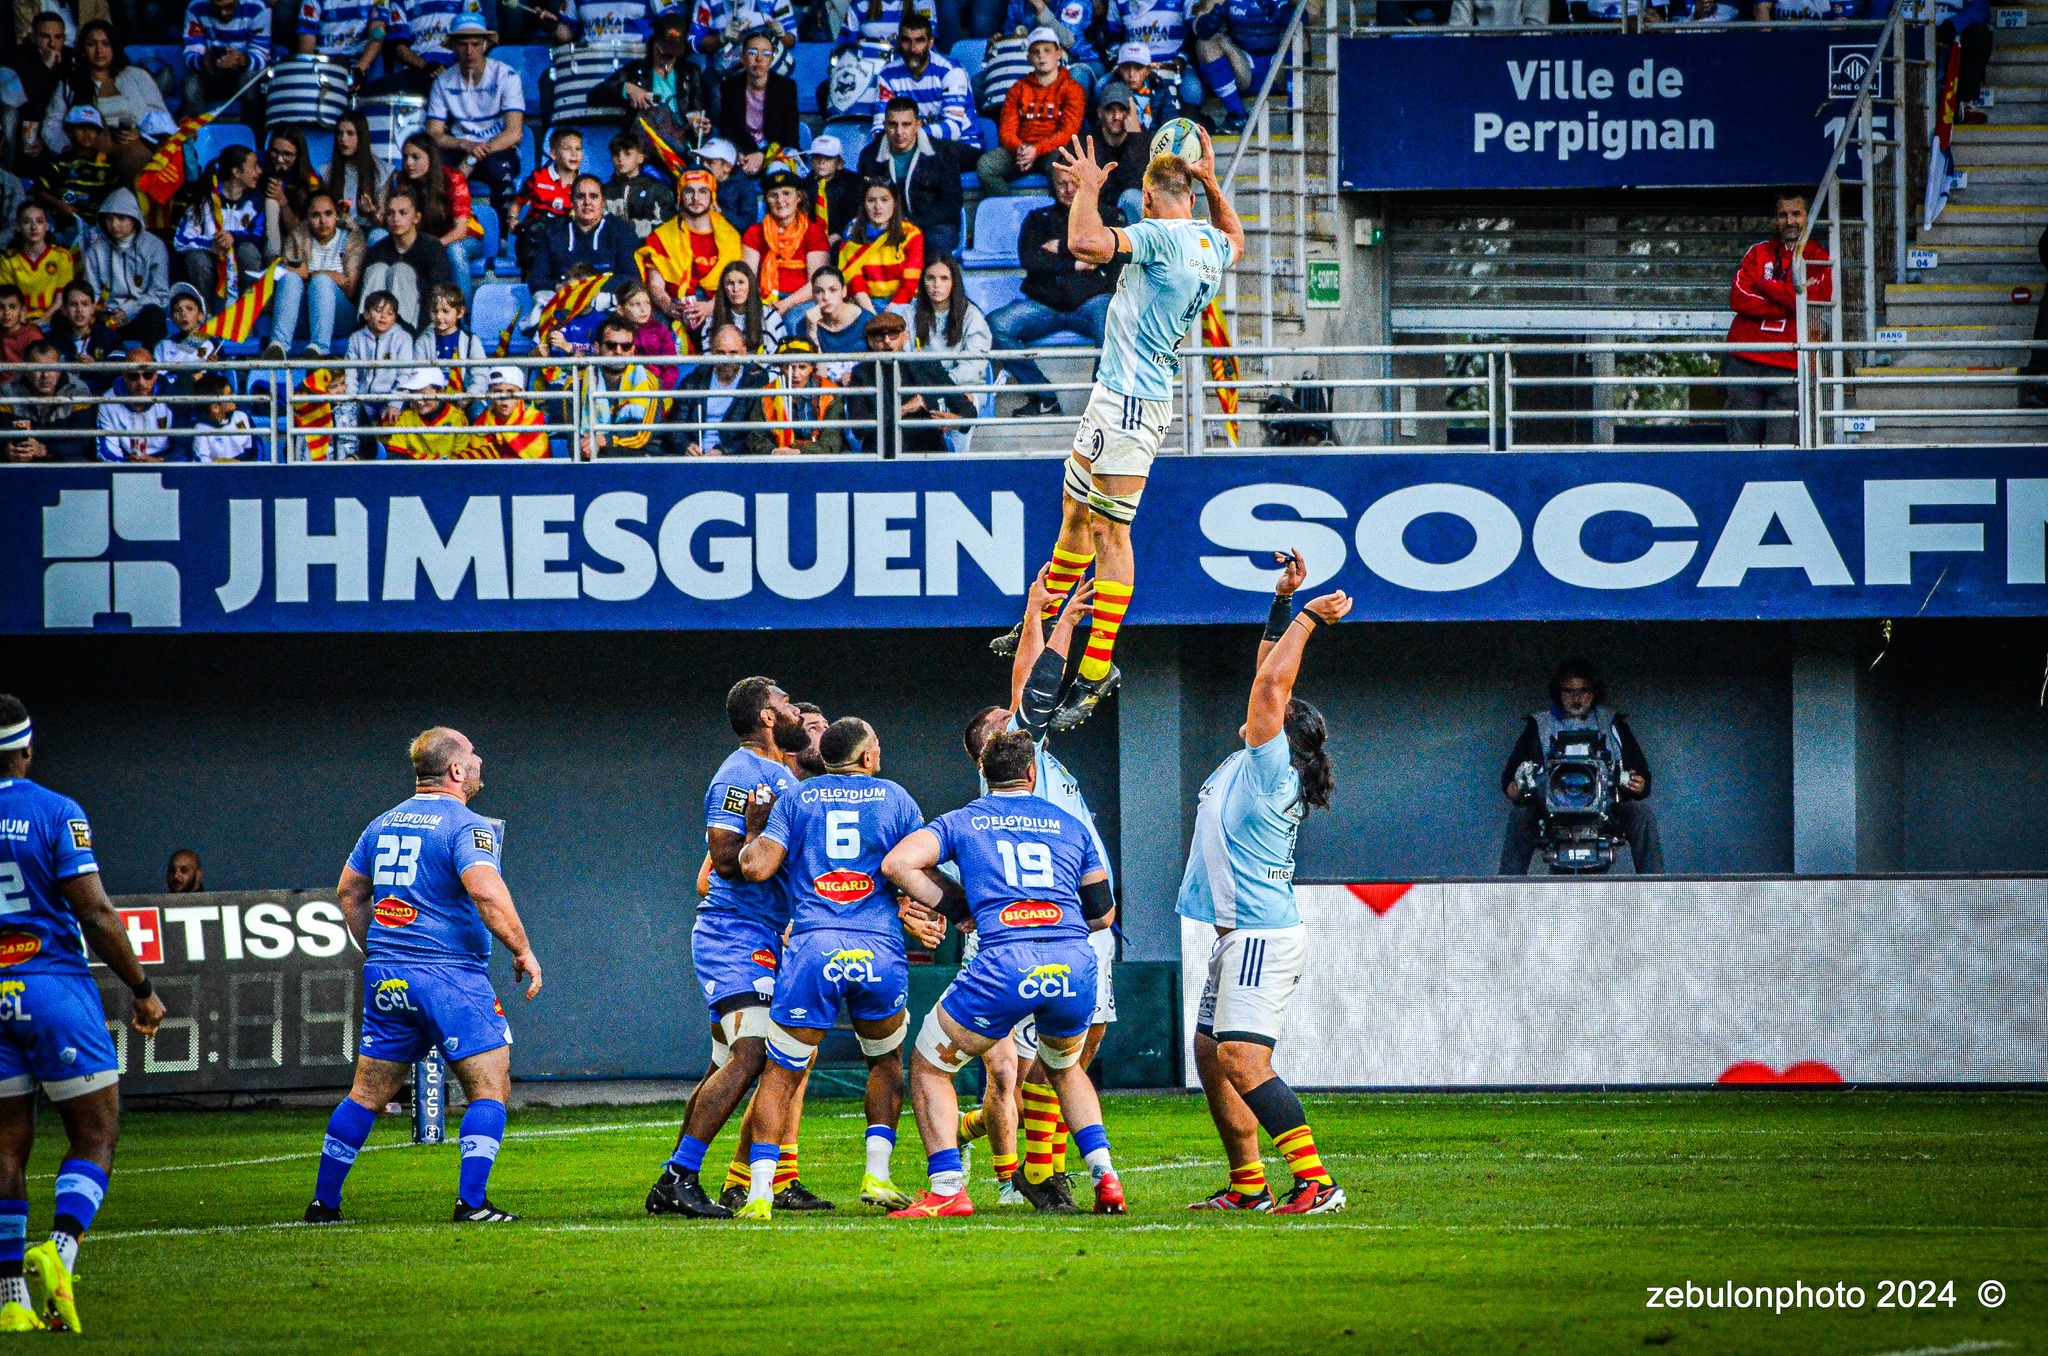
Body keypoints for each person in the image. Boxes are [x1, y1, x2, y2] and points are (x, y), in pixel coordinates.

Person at [1001, 133, 1243, 732]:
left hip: (1133, 404)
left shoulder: (1161, 235)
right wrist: (1214, 183)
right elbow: (1238, 239)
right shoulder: (1211, 242)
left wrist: (1087, 187)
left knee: (1111, 530)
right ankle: (1046, 612)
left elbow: (1084, 241)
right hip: (1116, 395)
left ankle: (1098, 665)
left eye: (1143, 204)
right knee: (1075, 513)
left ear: (1153, 201)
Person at [880, 727, 1124, 1219]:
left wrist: (957, 903)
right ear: (1032, 773)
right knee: (1065, 1068)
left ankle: (948, 1186)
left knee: (930, 1066)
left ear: (982, 773)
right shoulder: (1070, 824)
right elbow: (1101, 913)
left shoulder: (963, 820)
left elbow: (897, 864)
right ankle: (1106, 1177)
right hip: (1074, 963)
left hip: (1005, 961)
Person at [306, 727, 543, 1225]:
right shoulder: (467, 826)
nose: (479, 760)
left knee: (366, 1095)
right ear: (456, 771)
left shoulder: (382, 823)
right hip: (450, 975)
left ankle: (324, 1204)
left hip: (388, 975)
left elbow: (349, 891)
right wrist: (522, 949)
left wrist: (380, 947)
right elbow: (486, 892)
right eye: (473, 755)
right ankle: (472, 1204)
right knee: (489, 1089)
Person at [1178, 554, 1351, 1216]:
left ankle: (1316, 1183)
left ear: (1282, 730)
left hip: (1258, 936)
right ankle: (1249, 1183)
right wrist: (1281, 606)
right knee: (1209, 1052)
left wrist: (1306, 620)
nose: (1258, 705)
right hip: (1241, 934)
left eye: (1271, 709)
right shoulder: (1258, 762)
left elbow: (1271, 687)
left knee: (1243, 1059)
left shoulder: (1269, 768)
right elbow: (1265, 678)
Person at [952, 569, 1119, 1210]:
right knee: (1015, 1068)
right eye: (1004, 719)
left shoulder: (1037, 758)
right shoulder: (1011, 773)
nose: (1014, 714)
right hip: (1037, 928)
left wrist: (1033, 612)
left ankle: (1012, 1151)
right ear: (989, 749)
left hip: (1082, 924)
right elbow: (1032, 686)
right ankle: (1027, 1173)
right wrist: (1063, 622)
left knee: (1071, 1053)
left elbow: (1025, 681)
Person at [0, 695, 167, 1333]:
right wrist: (142, 987)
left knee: (6, 1147)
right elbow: (94, 913)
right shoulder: (56, 812)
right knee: (95, 1134)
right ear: (26, 748)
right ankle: (60, 1249)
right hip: (52, 987)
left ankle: (11, 1299)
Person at [729, 716, 921, 1216]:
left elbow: (755, 868)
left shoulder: (796, 797)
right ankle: (877, 1176)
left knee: (782, 1071)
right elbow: (918, 868)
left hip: (813, 948)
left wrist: (754, 832)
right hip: (877, 947)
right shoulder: (896, 798)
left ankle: (760, 1193)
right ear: (867, 758)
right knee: (884, 1062)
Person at [646, 677, 816, 1219]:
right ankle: (680, 1176)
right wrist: (762, 836)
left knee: (727, 1059)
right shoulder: (740, 773)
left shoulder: (776, 775)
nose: (793, 710)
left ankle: (673, 1180)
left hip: (763, 934)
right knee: (752, 1054)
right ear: (768, 717)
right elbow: (723, 859)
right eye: (787, 704)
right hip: (734, 933)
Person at [1499, 657, 1664, 875]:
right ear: (1558, 693)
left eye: (1583, 691)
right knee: (1520, 816)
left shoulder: (1611, 722)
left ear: (1594, 692)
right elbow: (1510, 781)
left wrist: (1638, 784)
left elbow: (1641, 774)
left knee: (1640, 813)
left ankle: (1654, 884)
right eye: (1569, 691)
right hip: (1550, 807)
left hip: (1605, 805)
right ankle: (1508, 888)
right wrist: (1518, 787)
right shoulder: (1539, 724)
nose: (1576, 698)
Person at [985, 164, 1120, 417]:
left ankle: (1103, 405)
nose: (1068, 190)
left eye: (1074, 183)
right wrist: (1078, 261)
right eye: (1062, 184)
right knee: (995, 325)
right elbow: (1031, 260)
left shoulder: (1109, 216)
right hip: (1044, 305)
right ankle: (1044, 397)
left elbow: (1111, 255)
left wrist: (1062, 248)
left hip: (1092, 303)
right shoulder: (1038, 219)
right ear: (1053, 186)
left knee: (1113, 317)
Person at [1724, 190, 1830, 446]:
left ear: (1808, 217)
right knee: (1741, 445)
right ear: (1775, 220)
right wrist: (1791, 300)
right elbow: (1738, 298)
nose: (1790, 221)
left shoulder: (1820, 257)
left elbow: (1816, 298)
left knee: (1781, 448)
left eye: (1796, 214)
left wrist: (1766, 286)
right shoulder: (1757, 252)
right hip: (1745, 359)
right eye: (1783, 215)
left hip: (1789, 363)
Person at [422, 13, 525, 206]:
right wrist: (465, 145)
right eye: (463, 44)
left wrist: (474, 155)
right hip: (460, 147)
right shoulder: (442, 82)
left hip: (497, 148)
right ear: (453, 46)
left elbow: (514, 132)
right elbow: (433, 132)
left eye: (476, 44)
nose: (469, 51)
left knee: (501, 174)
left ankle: (502, 234)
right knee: (431, 173)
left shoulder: (506, 76)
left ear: (485, 44)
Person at [40, 20, 167, 178]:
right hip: (91, 152)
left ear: (114, 47)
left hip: (138, 144)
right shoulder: (69, 83)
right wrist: (68, 148)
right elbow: (51, 126)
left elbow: (161, 117)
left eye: (106, 43)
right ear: (83, 50)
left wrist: (141, 133)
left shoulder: (137, 76)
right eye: (92, 44)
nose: (99, 50)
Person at [978, 26, 1084, 196]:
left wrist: (1037, 150)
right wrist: (1020, 149)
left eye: (1047, 50)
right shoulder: (1018, 88)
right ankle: (1009, 212)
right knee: (986, 166)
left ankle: (1055, 217)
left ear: (1058, 54)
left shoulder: (1072, 88)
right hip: (1022, 150)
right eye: (1035, 52)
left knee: (1064, 169)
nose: (1041, 56)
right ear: (1028, 57)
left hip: (1053, 150)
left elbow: (1068, 132)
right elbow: (1006, 129)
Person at [847, 309, 970, 455]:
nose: (887, 341)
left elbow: (967, 410)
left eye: (893, 334)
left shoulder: (927, 365)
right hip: (883, 456)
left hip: (927, 454)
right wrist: (904, 409)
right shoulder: (861, 374)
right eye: (879, 336)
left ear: (905, 336)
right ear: (870, 341)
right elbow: (860, 429)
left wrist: (956, 420)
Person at [638, 168, 744, 336]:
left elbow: (737, 284)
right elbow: (655, 285)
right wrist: (668, 306)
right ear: (680, 195)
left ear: (712, 196)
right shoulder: (662, 236)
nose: (696, 198)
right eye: (689, 191)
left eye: (703, 191)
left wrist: (710, 307)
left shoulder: (730, 236)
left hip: (719, 305)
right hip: (675, 306)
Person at [855, 96, 962, 257]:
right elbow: (862, 199)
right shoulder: (869, 156)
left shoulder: (942, 153)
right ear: (884, 124)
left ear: (918, 125)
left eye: (906, 125)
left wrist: (912, 225)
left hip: (932, 226)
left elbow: (951, 203)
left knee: (937, 240)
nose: (899, 132)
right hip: (883, 224)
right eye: (893, 124)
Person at [590, 11, 713, 146]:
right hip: (646, 148)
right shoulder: (636, 71)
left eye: (671, 55)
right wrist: (626, 88)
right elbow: (594, 96)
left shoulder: (691, 73)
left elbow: (699, 110)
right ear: (654, 42)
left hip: (682, 148)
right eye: (662, 51)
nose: (665, 57)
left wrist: (702, 126)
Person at [267, 190, 364, 357]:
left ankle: (319, 349)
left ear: (337, 215)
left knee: (321, 282)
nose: (322, 221)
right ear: (307, 218)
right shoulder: (297, 238)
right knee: (289, 278)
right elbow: (281, 277)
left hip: (340, 318)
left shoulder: (351, 238)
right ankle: (278, 346)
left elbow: (350, 287)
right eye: (315, 215)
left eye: (328, 214)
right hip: (303, 316)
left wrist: (311, 275)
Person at [78, 188, 170, 348]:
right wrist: (104, 312)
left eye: (121, 219)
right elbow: (92, 291)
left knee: (154, 315)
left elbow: (160, 294)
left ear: (134, 219)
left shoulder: (154, 246)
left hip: (140, 314)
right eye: (109, 219)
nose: (114, 225)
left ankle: (152, 364)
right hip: (107, 316)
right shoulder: (96, 248)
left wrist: (128, 311)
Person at [720, 334, 841, 453]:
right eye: (789, 367)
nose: (795, 374)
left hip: (820, 464)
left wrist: (799, 452)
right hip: (778, 463)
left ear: (812, 368)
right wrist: (774, 451)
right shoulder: (767, 394)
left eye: (802, 367)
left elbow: (832, 443)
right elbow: (756, 438)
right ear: (780, 367)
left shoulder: (830, 392)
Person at [872, 11, 977, 148]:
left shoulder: (950, 71)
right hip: (908, 146)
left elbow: (953, 130)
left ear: (930, 43)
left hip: (961, 144)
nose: (912, 49)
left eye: (919, 40)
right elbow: (880, 125)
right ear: (898, 41)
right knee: (870, 156)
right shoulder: (887, 74)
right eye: (906, 40)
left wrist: (908, 135)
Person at [173, 143, 263, 300]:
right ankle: (204, 311)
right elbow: (180, 240)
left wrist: (234, 237)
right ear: (236, 172)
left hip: (238, 264)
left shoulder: (256, 200)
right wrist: (210, 245)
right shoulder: (205, 198)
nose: (259, 171)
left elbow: (259, 236)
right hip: (212, 266)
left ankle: (246, 307)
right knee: (197, 258)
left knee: (249, 251)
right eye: (254, 166)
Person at [396, 132, 477, 302]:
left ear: (430, 158)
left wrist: (430, 247)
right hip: (428, 241)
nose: (408, 163)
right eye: (405, 157)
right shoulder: (403, 181)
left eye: (415, 157)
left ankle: (462, 318)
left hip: (466, 238)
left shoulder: (453, 178)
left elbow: (460, 230)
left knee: (455, 251)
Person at [360, 185, 453, 331]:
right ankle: (368, 333)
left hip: (416, 325)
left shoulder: (432, 248)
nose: (396, 218)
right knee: (377, 269)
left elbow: (438, 296)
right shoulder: (378, 250)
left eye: (403, 213)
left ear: (416, 217)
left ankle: (402, 335)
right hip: (376, 327)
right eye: (390, 213)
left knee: (400, 270)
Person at [533, 173, 642, 297]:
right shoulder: (553, 233)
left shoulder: (621, 231)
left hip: (605, 300)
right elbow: (538, 278)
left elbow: (631, 277)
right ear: (572, 202)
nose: (587, 202)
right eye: (580, 196)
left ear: (603, 202)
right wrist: (560, 286)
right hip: (565, 298)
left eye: (593, 196)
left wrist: (590, 288)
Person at [741, 169, 826, 323]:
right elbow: (748, 278)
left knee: (794, 320)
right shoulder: (754, 233)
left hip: (801, 301)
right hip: (764, 298)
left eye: (786, 193)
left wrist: (785, 304)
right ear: (766, 199)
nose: (780, 201)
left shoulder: (814, 232)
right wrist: (763, 304)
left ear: (798, 197)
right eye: (774, 195)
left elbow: (816, 282)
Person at [340, 289, 412, 455]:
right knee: (351, 420)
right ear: (366, 314)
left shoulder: (402, 338)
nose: (383, 317)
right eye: (378, 311)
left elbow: (405, 374)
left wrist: (395, 403)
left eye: (389, 313)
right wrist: (353, 400)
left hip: (390, 398)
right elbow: (351, 372)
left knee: (393, 426)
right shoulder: (356, 338)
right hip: (363, 399)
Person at [583, 314, 667, 456]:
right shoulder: (577, 384)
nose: (618, 351)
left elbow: (641, 437)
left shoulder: (650, 382)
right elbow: (573, 439)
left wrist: (604, 440)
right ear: (597, 348)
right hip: (593, 454)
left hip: (642, 456)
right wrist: (583, 446)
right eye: (611, 345)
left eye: (625, 346)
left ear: (633, 350)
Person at [837, 179, 924, 313]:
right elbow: (856, 284)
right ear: (863, 204)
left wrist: (889, 314)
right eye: (871, 201)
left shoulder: (911, 234)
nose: (878, 206)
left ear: (894, 202)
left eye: (884, 200)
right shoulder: (851, 234)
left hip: (904, 303)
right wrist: (872, 316)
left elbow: (910, 284)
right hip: (865, 303)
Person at [0, 338, 94, 461]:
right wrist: (7, 448)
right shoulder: (8, 392)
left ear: (60, 370)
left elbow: (83, 443)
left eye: (51, 368)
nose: (45, 375)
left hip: (61, 459)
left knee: (77, 462)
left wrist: (45, 449)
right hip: (21, 459)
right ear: (26, 372)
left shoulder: (78, 390)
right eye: (37, 369)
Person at [714, 30, 800, 162]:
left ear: (771, 59)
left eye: (766, 54)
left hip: (776, 152)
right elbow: (727, 130)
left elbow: (790, 136)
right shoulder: (729, 86)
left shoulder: (786, 87)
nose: (759, 58)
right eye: (752, 52)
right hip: (742, 152)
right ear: (742, 57)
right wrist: (738, 153)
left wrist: (764, 156)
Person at [676, 320, 761, 452]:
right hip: (695, 457)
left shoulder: (757, 382)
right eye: (721, 353)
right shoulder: (694, 380)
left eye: (733, 353)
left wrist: (725, 451)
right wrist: (686, 446)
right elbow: (676, 425)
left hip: (736, 460)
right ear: (713, 352)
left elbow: (756, 435)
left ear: (744, 352)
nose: (727, 359)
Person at [32, 106, 112, 242]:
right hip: (66, 224)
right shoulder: (61, 161)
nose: (87, 134)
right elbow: (39, 190)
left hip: (98, 226)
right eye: (81, 128)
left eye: (92, 129)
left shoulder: (106, 163)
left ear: (98, 133)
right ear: (69, 132)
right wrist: (60, 205)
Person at [181, 0, 272, 120]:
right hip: (212, 74)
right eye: (216, 8)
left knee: (250, 83)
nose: (223, 13)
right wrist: (202, 62)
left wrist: (243, 60)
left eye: (230, 7)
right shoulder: (196, 7)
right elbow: (190, 51)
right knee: (190, 84)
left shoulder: (258, 8)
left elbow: (262, 54)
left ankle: (252, 134)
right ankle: (197, 135)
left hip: (245, 72)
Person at [1105, 0, 1203, 109]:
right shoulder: (1118, 2)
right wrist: (1119, 66)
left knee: (1192, 88)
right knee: (1101, 87)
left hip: (1172, 66)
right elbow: (1112, 38)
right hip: (1133, 67)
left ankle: (1188, 124)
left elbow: (1194, 34)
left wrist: (1182, 59)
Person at [510, 125, 580, 276]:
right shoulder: (538, 177)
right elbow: (517, 203)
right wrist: (512, 219)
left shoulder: (583, 184)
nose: (574, 154)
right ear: (553, 154)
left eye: (578, 149)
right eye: (568, 149)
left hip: (566, 240)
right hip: (535, 241)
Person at [8, 13, 71, 180]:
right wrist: (44, 68)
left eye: (57, 37)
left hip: (57, 130)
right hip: (22, 131)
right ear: (33, 36)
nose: (52, 43)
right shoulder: (16, 58)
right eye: (45, 36)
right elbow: (24, 103)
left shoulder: (69, 60)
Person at [94, 346, 172, 462]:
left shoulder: (173, 397)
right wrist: (125, 462)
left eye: (148, 375)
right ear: (124, 375)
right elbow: (107, 448)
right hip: (125, 464)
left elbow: (183, 444)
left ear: (156, 374)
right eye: (133, 376)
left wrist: (161, 461)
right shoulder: (108, 401)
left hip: (166, 463)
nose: (141, 382)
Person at [385, 365, 479, 457]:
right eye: (413, 395)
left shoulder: (457, 418)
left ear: (440, 392)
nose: (418, 401)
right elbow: (395, 454)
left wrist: (416, 457)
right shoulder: (405, 419)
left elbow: (460, 458)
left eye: (423, 395)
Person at [294, 0, 389, 90]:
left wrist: (358, 72)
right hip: (324, 63)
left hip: (360, 61)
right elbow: (306, 49)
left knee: (378, 62)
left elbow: (376, 38)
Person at [693, 0, 796, 83]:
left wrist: (781, 35)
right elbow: (694, 43)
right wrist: (721, 38)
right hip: (723, 76)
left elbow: (791, 41)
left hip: (767, 74)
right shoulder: (707, 2)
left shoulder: (775, 1)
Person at [411, 281, 486, 393]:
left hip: (464, 397)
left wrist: (469, 395)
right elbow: (418, 374)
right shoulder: (423, 341)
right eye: (435, 311)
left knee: (478, 408)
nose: (439, 317)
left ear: (460, 312)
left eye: (445, 311)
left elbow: (481, 376)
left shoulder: (471, 341)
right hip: (433, 398)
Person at [1090, 85, 1148, 225]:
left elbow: (1135, 185)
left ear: (1132, 113)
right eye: (1110, 110)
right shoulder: (1089, 142)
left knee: (1132, 197)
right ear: (1100, 112)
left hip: (1134, 220)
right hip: (1102, 217)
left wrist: (1135, 138)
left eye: (1122, 110)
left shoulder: (1144, 142)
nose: (1117, 117)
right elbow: (1102, 193)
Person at [325, 110, 391, 232]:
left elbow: (381, 221)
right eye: (339, 133)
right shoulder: (326, 172)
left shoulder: (382, 170)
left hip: (367, 232)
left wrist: (371, 211)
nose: (343, 139)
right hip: (336, 232)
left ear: (361, 137)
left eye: (350, 133)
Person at [602, 130, 671, 241]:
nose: (620, 159)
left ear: (640, 157)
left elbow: (668, 223)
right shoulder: (605, 190)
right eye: (616, 154)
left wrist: (633, 229)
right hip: (615, 249)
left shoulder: (657, 189)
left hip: (649, 249)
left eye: (627, 154)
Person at [260, 127, 323, 247]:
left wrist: (282, 201)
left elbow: (300, 231)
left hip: (293, 242)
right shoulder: (259, 162)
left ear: (298, 155)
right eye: (275, 151)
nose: (279, 159)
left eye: (287, 154)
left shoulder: (310, 180)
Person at [1098, 40, 1179, 131]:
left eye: (1138, 67)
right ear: (1119, 69)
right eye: (1126, 67)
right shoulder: (1110, 91)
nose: (1131, 74)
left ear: (1147, 70)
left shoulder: (1160, 88)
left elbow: (1171, 120)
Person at [805, 263, 868, 379]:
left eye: (833, 290)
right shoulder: (807, 324)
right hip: (826, 391)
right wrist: (811, 332)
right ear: (813, 295)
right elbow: (818, 378)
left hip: (861, 387)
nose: (826, 297)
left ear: (844, 291)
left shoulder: (866, 321)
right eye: (819, 291)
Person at [473, 364, 549, 457]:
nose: (504, 397)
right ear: (489, 394)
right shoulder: (482, 422)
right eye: (497, 391)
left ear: (521, 394)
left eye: (510, 391)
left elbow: (540, 463)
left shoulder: (533, 419)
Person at [615, 280, 679, 386]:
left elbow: (671, 368)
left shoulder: (660, 331)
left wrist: (660, 391)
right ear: (620, 310)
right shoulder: (614, 331)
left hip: (657, 387)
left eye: (647, 303)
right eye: (636, 304)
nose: (644, 309)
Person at [46, 282, 118, 377]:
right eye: (73, 305)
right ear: (64, 310)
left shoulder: (109, 337)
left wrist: (96, 367)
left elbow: (119, 373)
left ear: (93, 308)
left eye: (85, 304)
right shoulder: (52, 341)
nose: (79, 310)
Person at [805, 135, 862, 248]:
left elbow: (858, 215)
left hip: (845, 240)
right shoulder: (804, 186)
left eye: (828, 158)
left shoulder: (854, 184)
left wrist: (841, 233)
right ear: (811, 162)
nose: (821, 162)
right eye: (817, 157)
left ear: (839, 163)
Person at [190, 371, 257, 460]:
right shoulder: (201, 428)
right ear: (215, 407)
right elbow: (202, 460)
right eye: (229, 395)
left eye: (232, 392)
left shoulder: (241, 417)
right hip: (216, 471)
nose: (234, 396)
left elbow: (252, 449)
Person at [696, 137, 759, 228]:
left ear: (727, 167)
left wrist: (721, 212)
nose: (704, 165)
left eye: (710, 162)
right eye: (702, 160)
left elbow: (748, 224)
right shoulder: (696, 180)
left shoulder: (744, 187)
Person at [0, 284, 41, 363]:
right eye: (1, 307)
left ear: (23, 311)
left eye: (12, 307)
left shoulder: (32, 336)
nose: (6, 313)